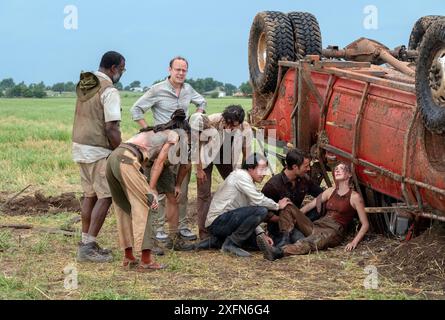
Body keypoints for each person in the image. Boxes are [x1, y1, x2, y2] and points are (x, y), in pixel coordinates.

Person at [130, 56, 206, 242]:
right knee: (161, 187)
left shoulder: (188, 90)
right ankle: (158, 228)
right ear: (169, 70)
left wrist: (197, 115)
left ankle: (180, 226)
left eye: (184, 70)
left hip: (183, 143)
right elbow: (136, 110)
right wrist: (149, 130)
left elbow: (202, 102)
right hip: (163, 143)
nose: (180, 73)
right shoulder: (157, 89)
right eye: (177, 69)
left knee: (181, 188)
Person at [106, 110, 191, 271]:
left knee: (124, 208)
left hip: (114, 158)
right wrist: (150, 189)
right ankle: (146, 260)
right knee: (148, 206)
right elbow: (159, 163)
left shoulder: (155, 131)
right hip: (127, 160)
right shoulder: (174, 135)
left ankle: (129, 256)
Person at [72, 51, 125, 263]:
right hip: (97, 149)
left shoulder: (85, 83)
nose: (122, 72)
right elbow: (111, 128)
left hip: (79, 146)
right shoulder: (109, 90)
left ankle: (86, 241)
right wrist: (122, 150)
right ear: (113, 68)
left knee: (90, 195)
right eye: (122, 68)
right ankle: (88, 247)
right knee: (106, 196)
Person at [257, 162, 370, 261]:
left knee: (308, 243)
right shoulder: (330, 191)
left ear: (349, 174)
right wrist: (293, 215)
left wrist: (354, 242)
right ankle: (284, 239)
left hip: (333, 231)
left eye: (341, 169)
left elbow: (365, 224)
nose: (337, 170)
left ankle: (278, 252)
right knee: (287, 206)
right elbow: (309, 206)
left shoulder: (355, 197)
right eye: (336, 169)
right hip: (317, 225)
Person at [202, 153, 292, 257]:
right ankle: (231, 244)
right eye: (261, 169)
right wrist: (278, 206)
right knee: (262, 210)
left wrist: (261, 234)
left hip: (228, 222)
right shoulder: (240, 176)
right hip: (217, 223)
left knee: (257, 243)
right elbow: (258, 201)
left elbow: (250, 214)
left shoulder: (248, 182)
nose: (264, 174)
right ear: (250, 168)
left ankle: (218, 242)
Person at [194, 105, 253, 240]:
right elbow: (196, 144)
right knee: (203, 193)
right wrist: (199, 169)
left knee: (238, 189)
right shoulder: (211, 121)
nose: (229, 127)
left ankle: (233, 225)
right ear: (223, 118)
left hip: (227, 157)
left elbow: (247, 154)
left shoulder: (245, 128)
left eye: (233, 126)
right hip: (206, 157)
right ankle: (204, 232)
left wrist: (245, 174)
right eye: (227, 123)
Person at [261, 148, 323, 247]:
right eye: (306, 166)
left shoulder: (304, 179)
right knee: (301, 241)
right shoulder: (273, 186)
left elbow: (320, 193)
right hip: (280, 225)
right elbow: (264, 214)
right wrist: (287, 219)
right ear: (295, 167)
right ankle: (279, 241)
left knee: (321, 206)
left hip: (299, 219)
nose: (309, 169)